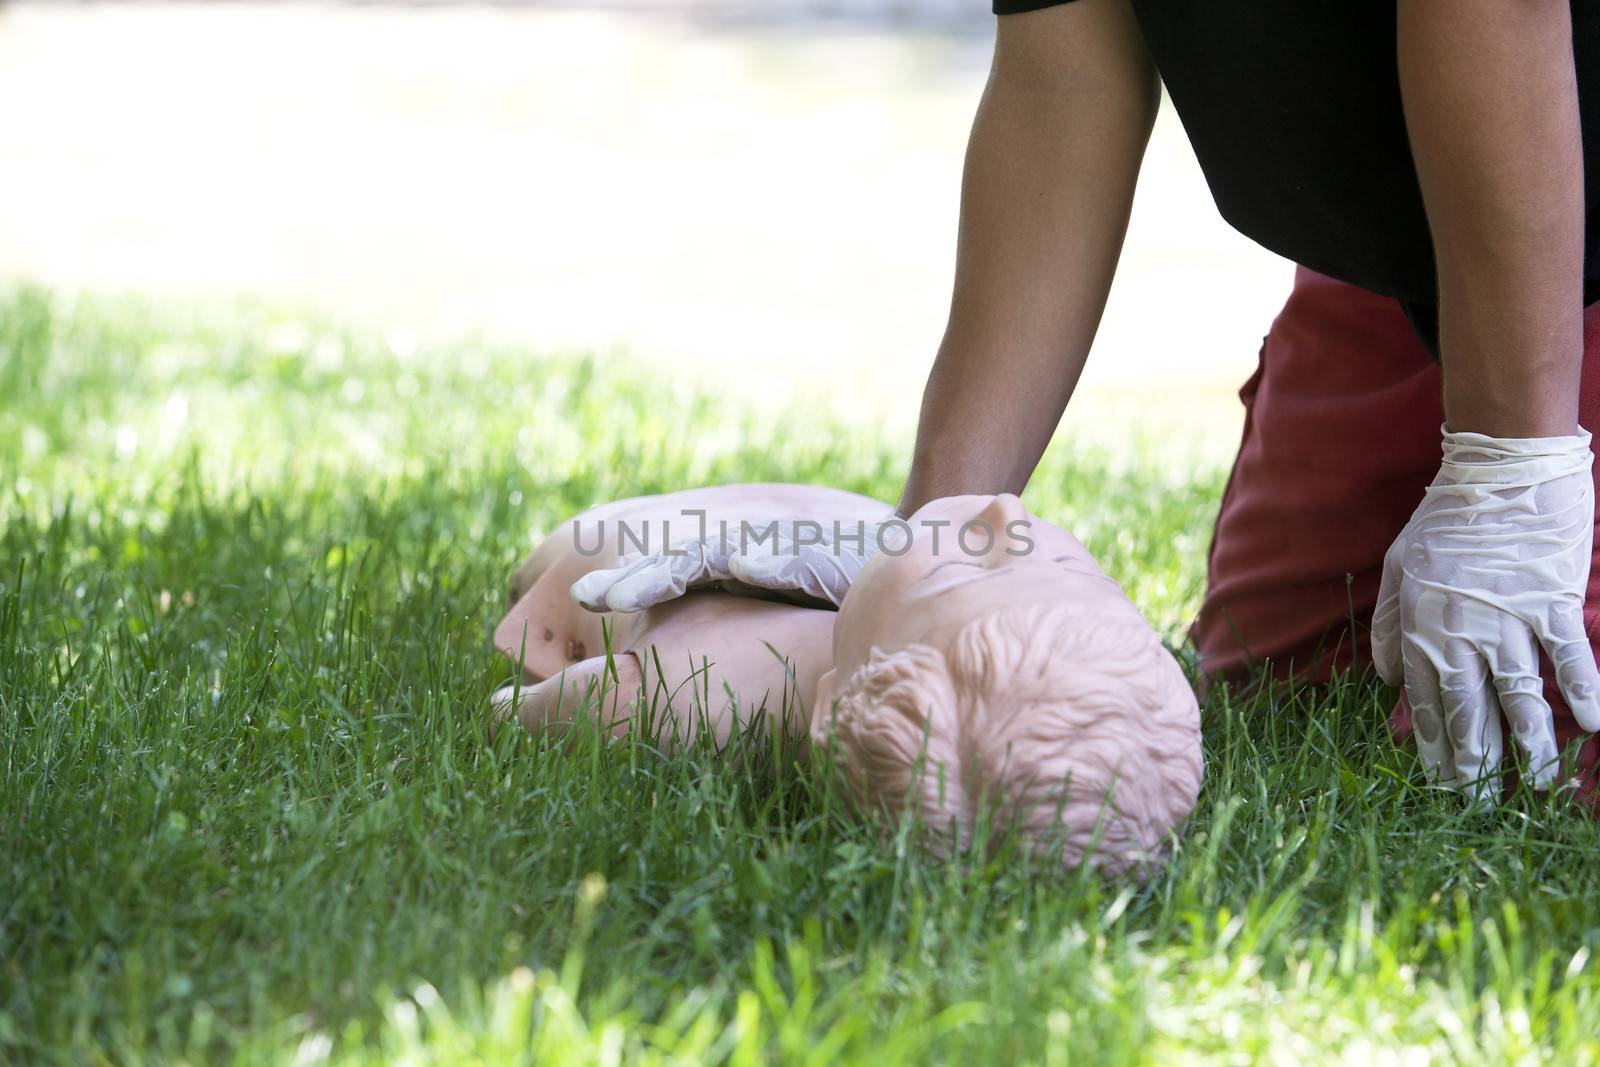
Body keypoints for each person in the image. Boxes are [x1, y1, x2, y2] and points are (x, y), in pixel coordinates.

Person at [586, 2, 1600, 805]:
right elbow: (1066, 76)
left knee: (1544, 744)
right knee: (1282, 675)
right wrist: (933, 542)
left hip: (1557, 231)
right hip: (1395, 256)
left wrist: (1510, 463)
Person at [494, 486, 1202, 870]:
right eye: (1068, 568)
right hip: (838, 520)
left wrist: (519, 710)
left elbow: (526, 712)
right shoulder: (903, 624)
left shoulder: (690, 694)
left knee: (580, 541)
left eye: (964, 565)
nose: (1007, 512)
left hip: (618, 546)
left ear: (833, 702)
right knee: (896, 538)